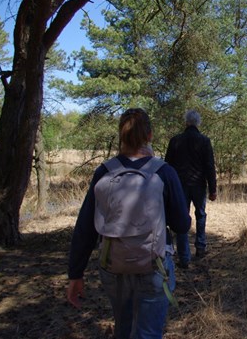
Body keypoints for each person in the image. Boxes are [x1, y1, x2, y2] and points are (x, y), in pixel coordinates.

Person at [67, 108, 191, 339]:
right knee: (148, 333)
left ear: (121, 136)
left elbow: (85, 228)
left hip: (113, 267)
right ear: (150, 136)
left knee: (123, 329)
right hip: (154, 267)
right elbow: (182, 226)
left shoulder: (104, 171)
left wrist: (76, 274)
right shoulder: (164, 172)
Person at [165, 109, 217, 268]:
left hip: (179, 186)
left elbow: (167, 166)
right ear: (198, 123)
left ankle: (184, 257)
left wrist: (167, 189)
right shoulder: (204, 141)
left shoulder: (175, 141)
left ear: (186, 122)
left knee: (182, 217)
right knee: (200, 214)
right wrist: (213, 189)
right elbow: (209, 166)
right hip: (199, 185)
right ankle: (200, 247)